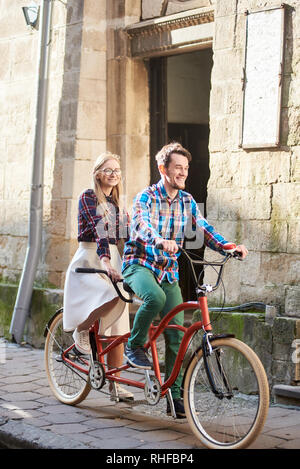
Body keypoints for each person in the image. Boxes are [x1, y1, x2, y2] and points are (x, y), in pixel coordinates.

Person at [122, 142, 248, 417]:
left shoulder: (187, 200)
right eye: (178, 167)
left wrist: (228, 247)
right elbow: (141, 224)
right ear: (163, 168)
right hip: (139, 264)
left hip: (168, 272)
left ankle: (175, 397)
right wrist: (159, 240)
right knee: (154, 298)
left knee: (177, 334)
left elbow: (203, 228)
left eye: (186, 168)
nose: (183, 173)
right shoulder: (146, 197)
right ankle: (134, 345)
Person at [63, 151, 133, 401]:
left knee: (118, 329)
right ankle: (81, 329)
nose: (113, 174)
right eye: (108, 170)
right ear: (97, 174)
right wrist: (105, 261)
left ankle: (115, 385)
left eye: (117, 170)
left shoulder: (119, 204)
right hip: (91, 258)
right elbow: (99, 230)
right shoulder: (88, 197)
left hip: (113, 260)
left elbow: (131, 236)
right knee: (108, 295)